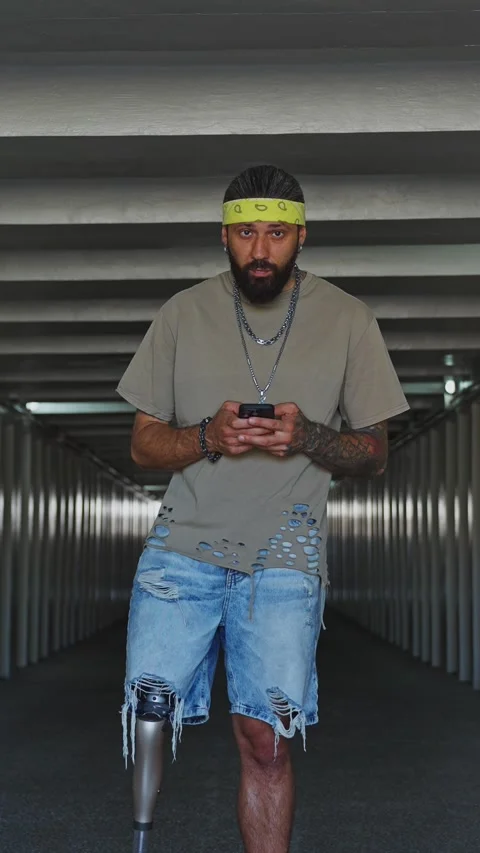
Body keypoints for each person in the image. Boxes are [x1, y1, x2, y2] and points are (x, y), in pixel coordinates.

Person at [117, 164, 409, 853]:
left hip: (285, 557)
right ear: (224, 236)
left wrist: (305, 434)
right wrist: (207, 437)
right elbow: (143, 446)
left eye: (276, 233)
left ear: (300, 237)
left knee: (268, 741)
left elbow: (375, 453)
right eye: (246, 232)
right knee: (150, 715)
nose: (260, 249)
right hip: (181, 551)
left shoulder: (348, 319)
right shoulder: (182, 313)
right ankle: (139, 835)